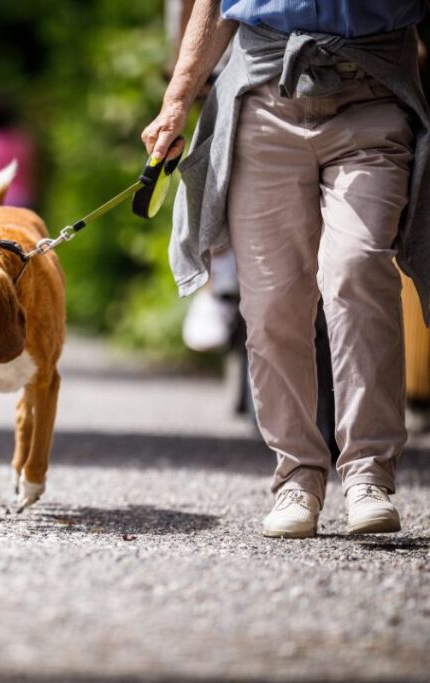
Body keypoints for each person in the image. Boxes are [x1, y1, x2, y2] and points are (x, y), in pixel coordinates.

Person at [143, 0, 430, 538]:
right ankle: (297, 475)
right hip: (263, 96)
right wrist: (177, 100)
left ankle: (368, 473)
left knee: (357, 268)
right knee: (272, 301)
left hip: (373, 92)